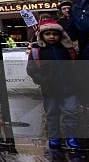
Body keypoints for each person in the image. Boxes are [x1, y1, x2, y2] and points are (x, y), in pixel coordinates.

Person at [26, 20, 80, 150]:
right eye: (48, 34)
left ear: (60, 35)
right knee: (52, 114)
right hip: (50, 90)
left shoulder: (68, 50)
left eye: (55, 34)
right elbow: (32, 69)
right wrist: (43, 81)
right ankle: (54, 137)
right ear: (42, 36)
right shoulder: (37, 51)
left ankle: (71, 137)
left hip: (70, 88)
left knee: (71, 113)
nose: (51, 36)